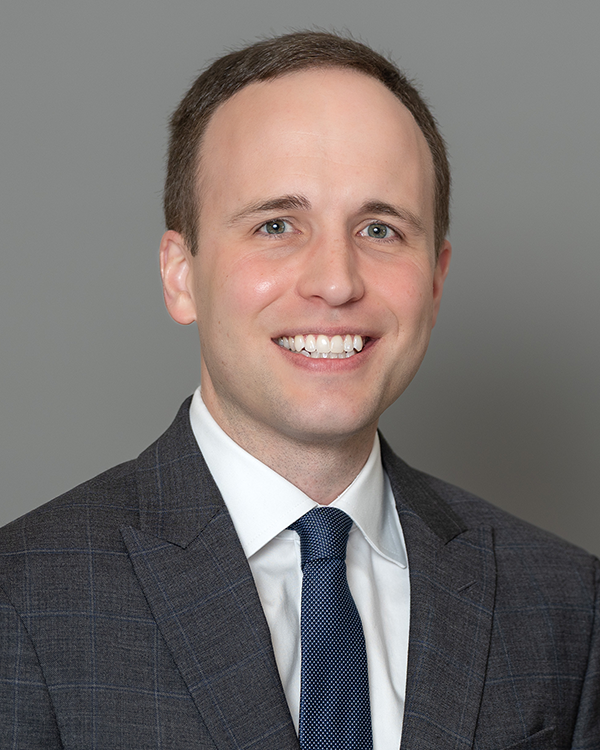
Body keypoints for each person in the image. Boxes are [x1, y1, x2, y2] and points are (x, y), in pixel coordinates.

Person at [0, 31, 598, 750]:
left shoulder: (568, 604)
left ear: (436, 282)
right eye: (277, 225)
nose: (336, 282)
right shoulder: (23, 598)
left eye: (380, 229)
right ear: (180, 275)